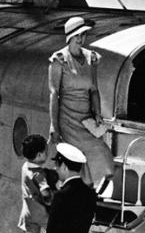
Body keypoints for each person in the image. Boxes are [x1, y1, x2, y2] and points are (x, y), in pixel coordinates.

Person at [48, 16, 115, 193]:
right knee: (77, 160)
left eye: (84, 34)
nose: (81, 38)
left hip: (86, 119)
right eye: (77, 35)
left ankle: (88, 191)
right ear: (69, 36)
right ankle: (83, 193)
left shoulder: (91, 58)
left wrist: (98, 114)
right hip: (67, 119)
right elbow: (54, 94)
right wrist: (54, 126)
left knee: (104, 158)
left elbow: (94, 89)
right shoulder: (59, 60)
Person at [18, 134, 55, 233]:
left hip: (28, 209)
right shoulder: (39, 174)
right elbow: (45, 193)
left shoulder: (25, 167)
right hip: (41, 211)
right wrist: (53, 201)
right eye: (45, 152)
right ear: (39, 155)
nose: (47, 154)